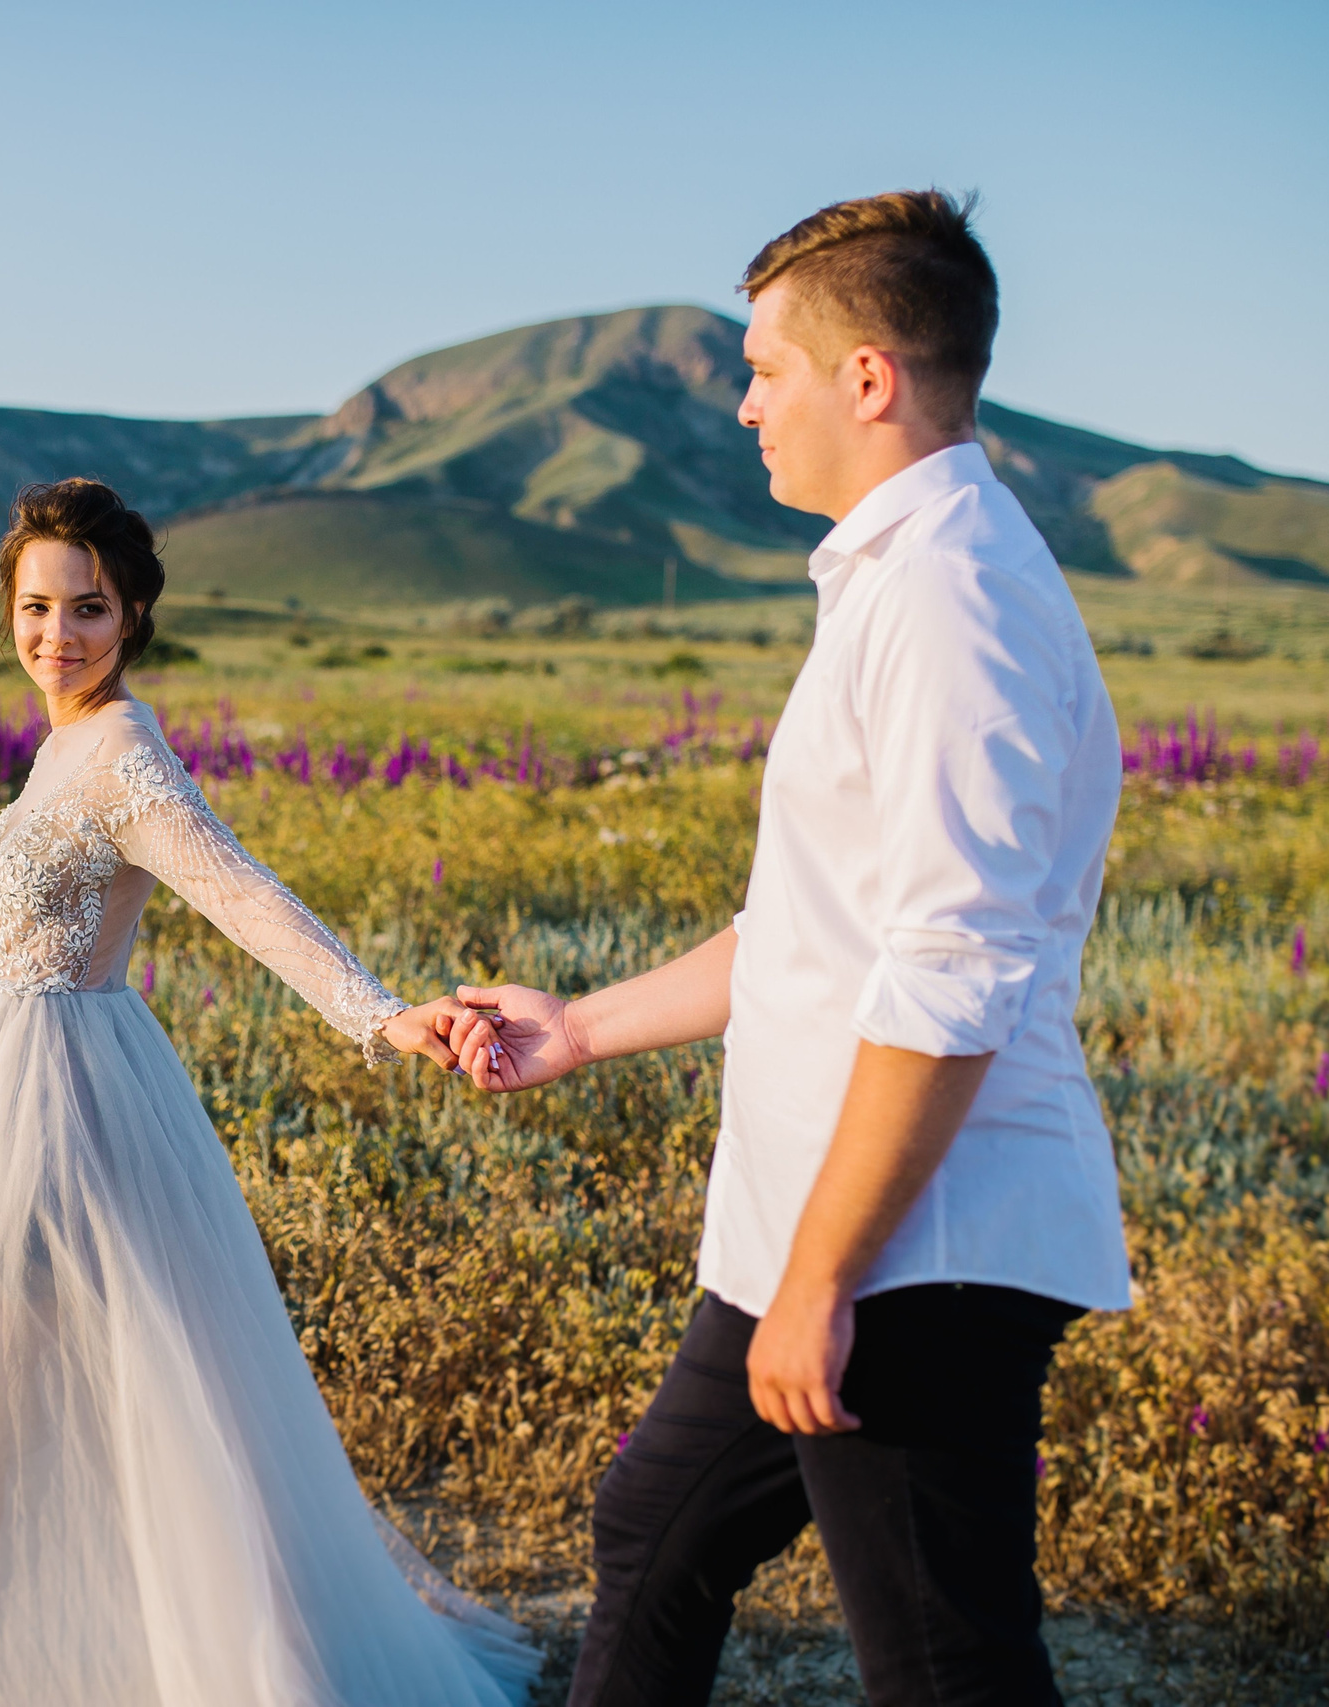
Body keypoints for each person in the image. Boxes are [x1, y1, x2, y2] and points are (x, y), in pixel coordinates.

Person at [450, 189, 1130, 1706]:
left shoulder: (956, 602)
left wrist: (824, 1272)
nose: (746, 402)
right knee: (659, 1529)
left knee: (946, 1665)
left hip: (908, 1250)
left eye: (765, 367)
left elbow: (953, 970)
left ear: (869, 376)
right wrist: (577, 1026)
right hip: (819, 1226)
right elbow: (811, 932)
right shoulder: (895, 577)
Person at [0, 477, 539, 1706]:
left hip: (56, 1103)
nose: (59, 635)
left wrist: (375, 1014)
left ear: (135, 612)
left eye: (87, 609)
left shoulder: (123, 751)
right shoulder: (65, 739)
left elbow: (237, 889)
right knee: (2, 1381)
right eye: (37, 607)